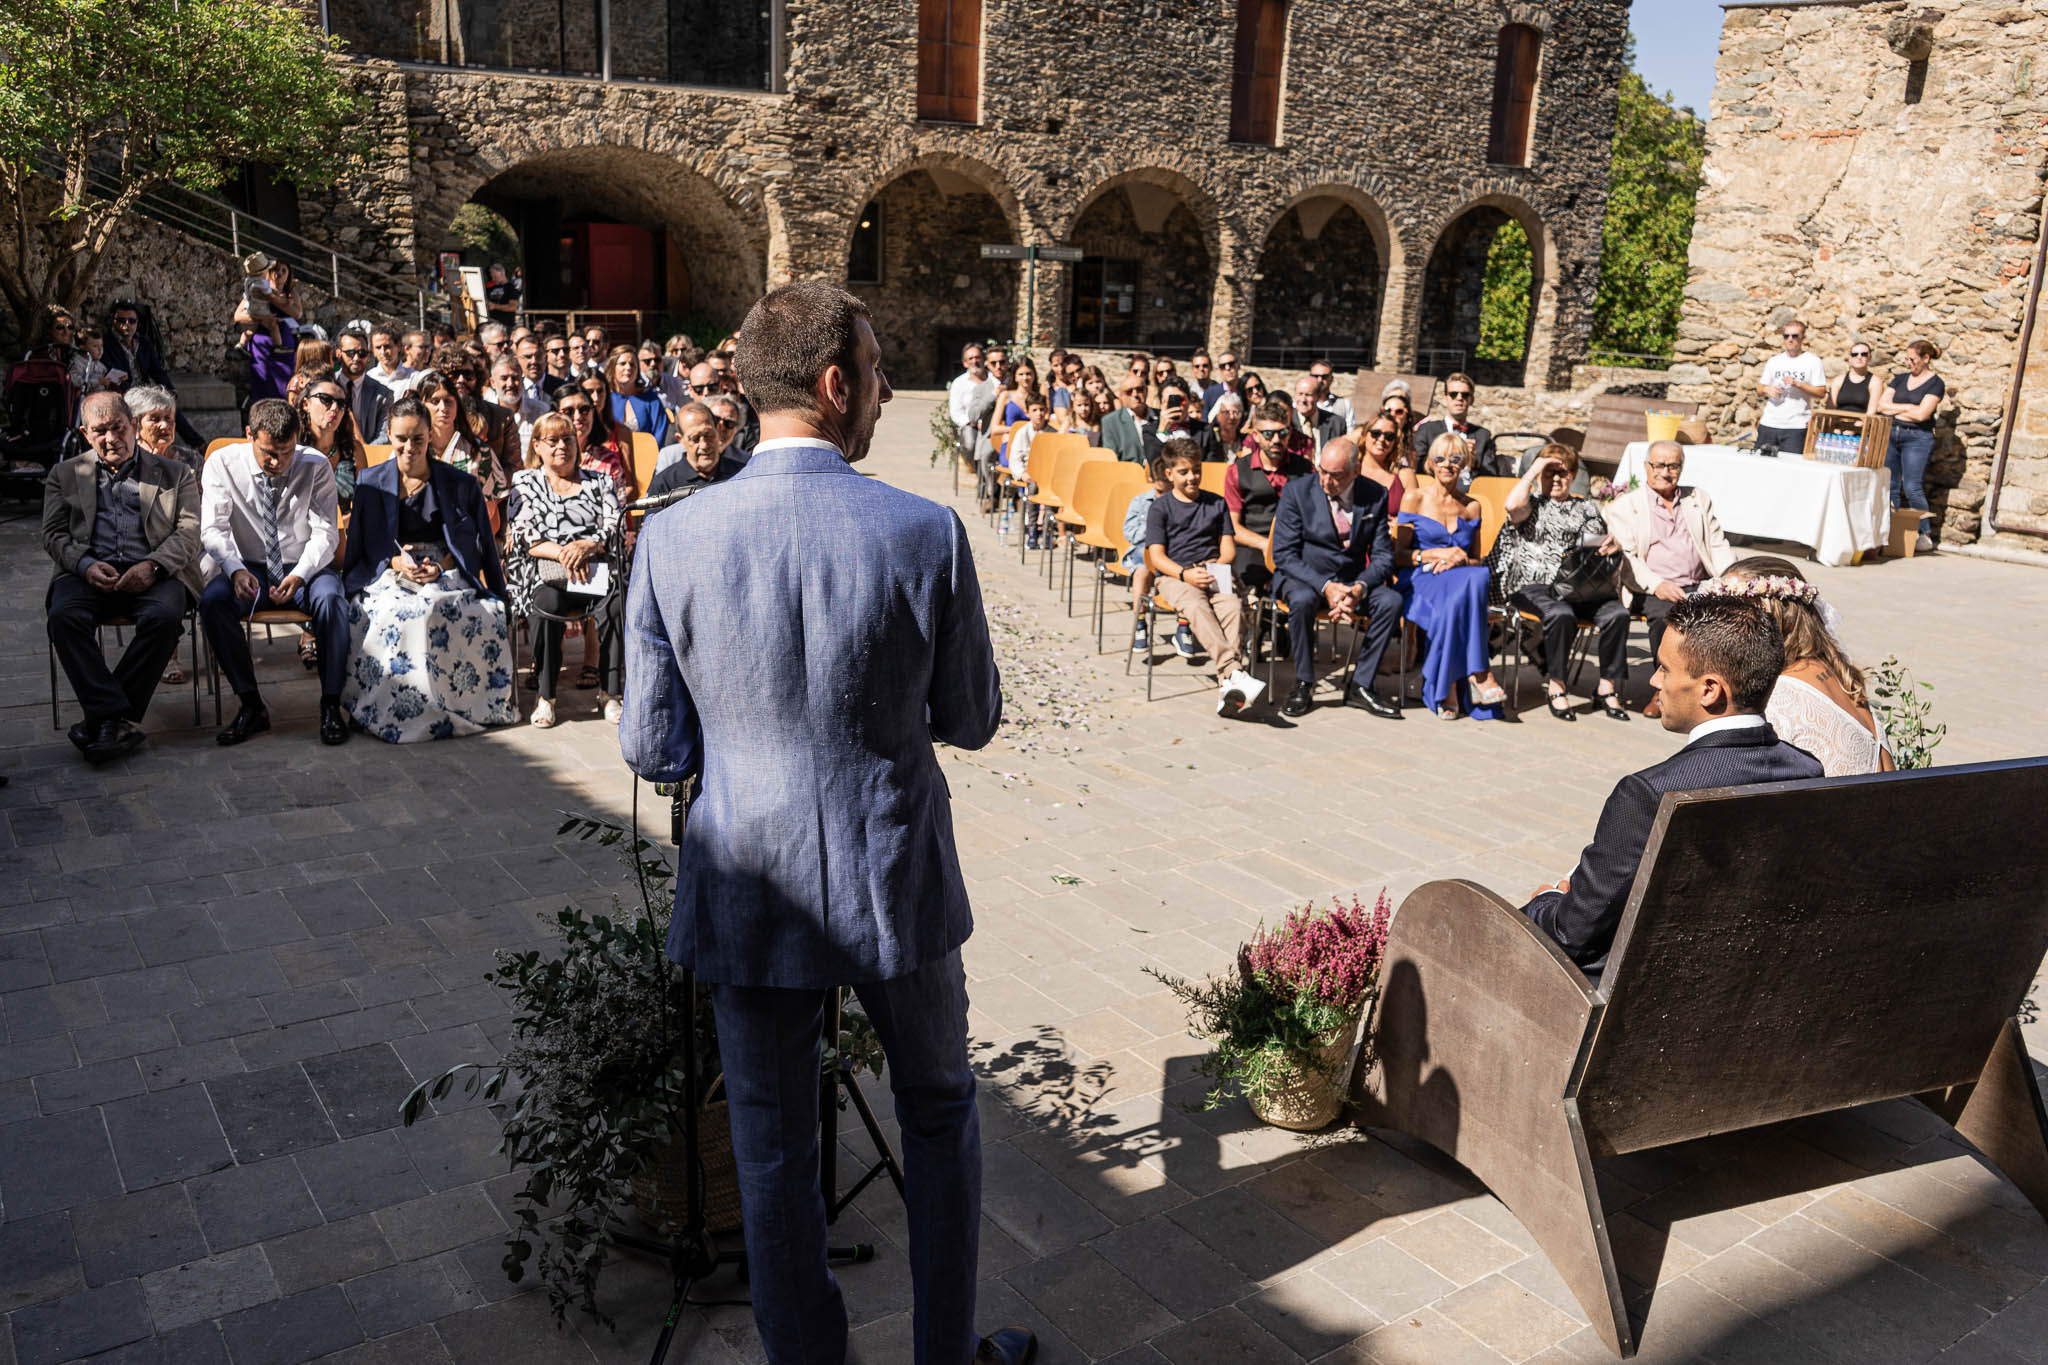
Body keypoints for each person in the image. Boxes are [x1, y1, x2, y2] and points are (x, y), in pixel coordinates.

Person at [620, 281, 1032, 1365]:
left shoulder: (671, 538)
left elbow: (653, 749)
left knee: (769, 1150)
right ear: (836, 384)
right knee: (936, 1112)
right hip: (893, 871)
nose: (889, 391)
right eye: (881, 371)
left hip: (748, 880)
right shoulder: (925, 531)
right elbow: (972, 719)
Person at [1521, 595, 1824, 983]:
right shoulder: (1807, 769)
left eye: (1664, 668)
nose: (1654, 681)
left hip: (1639, 993)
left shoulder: (1648, 794)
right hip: (1753, 980)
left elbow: (1572, 935)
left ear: (1709, 689)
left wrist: (1545, 901)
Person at [340, 394, 514, 742]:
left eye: (418, 438)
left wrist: (443, 565)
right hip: (390, 572)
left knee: (439, 608)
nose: (410, 447)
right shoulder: (369, 482)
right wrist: (395, 563)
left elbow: (476, 542)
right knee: (394, 612)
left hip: (445, 570)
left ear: (430, 435)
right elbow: (362, 545)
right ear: (389, 435)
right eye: (401, 438)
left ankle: (452, 705)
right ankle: (390, 711)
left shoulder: (459, 483)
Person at [44, 392, 206, 763]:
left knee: (165, 617)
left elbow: (189, 532)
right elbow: (53, 535)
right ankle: (112, 719)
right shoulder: (64, 474)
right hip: (88, 571)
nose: (111, 438)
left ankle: (101, 720)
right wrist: (85, 565)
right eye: (100, 431)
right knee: (63, 617)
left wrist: (152, 566)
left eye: (118, 428)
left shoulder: (176, 473)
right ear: (85, 434)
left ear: (133, 426)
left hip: (155, 569)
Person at [198, 400, 349, 747]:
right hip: (249, 565)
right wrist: (234, 570)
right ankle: (251, 705)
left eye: (286, 452)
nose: (278, 462)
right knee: (213, 602)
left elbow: (326, 531)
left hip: (304, 564)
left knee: (331, 600)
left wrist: (302, 574)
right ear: (249, 435)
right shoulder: (222, 463)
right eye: (268, 453)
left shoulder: (315, 465)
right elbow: (214, 529)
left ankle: (331, 704)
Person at [1707, 558, 1892, 775]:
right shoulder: (1833, 671)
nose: (1718, 627)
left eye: (1731, 614)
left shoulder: (1778, 696)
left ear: (1775, 615)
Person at [1270, 436, 1403, 719]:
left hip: (1351, 579)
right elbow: (1284, 555)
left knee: (1390, 602)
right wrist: (1325, 586)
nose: (1327, 481)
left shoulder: (1375, 494)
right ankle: (1304, 682)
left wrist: (1359, 588)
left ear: (1356, 471)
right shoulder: (1297, 492)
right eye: (1323, 471)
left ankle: (1361, 684)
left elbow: (1383, 556)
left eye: (1336, 475)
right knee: (1302, 600)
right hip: (1306, 577)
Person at [1494, 444, 1629, 721]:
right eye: (1549, 472)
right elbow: (1511, 506)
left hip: (1579, 587)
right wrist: (1536, 467)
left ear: (1573, 476)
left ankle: (1606, 687)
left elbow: (1597, 543)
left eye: (1563, 473)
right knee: (1560, 614)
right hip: (1534, 585)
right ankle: (1557, 685)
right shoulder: (1531, 504)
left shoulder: (1586, 507)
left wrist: (1613, 544)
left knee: (1617, 614)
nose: (1556, 479)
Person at [1601, 439, 1736, 718]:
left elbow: (1716, 544)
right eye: (1659, 465)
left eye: (1673, 466)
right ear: (1646, 467)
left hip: (1699, 583)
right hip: (1650, 587)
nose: (1665, 472)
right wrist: (1658, 585)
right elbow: (1629, 559)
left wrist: (1732, 578)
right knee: (1667, 619)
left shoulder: (1697, 499)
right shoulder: (1625, 506)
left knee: (1731, 614)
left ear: (1681, 468)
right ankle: (1663, 690)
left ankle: (1713, 687)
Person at [507, 412, 624, 727]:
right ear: (537, 446)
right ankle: (546, 697)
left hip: (594, 571)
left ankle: (610, 694)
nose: (562, 446)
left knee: (615, 603)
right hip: (546, 574)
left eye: (568, 439)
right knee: (547, 604)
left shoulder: (600, 481)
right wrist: (566, 554)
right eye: (553, 440)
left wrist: (588, 546)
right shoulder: (525, 482)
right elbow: (525, 535)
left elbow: (614, 525)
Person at [1145, 438, 1264, 716]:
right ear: (1169, 474)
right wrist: (1186, 574)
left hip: (1214, 570)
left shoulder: (1216, 503)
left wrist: (1212, 569)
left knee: (1232, 608)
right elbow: (1156, 556)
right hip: (1176, 574)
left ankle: (1228, 686)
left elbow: (1228, 550)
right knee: (1196, 607)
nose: (1192, 477)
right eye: (1184, 472)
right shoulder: (1160, 508)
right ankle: (1233, 671)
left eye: (1196, 470)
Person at [1397, 435, 1507, 720]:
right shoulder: (1414, 498)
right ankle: (1479, 672)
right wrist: (1434, 554)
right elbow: (1399, 555)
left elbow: (1476, 559)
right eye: (1440, 458)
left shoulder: (1472, 507)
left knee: (1476, 577)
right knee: (1472, 583)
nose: (1447, 465)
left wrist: (1459, 558)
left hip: (1459, 581)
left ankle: (1449, 687)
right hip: (1422, 578)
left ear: (1465, 464)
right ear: (1430, 463)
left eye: (1455, 459)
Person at [1225, 398, 1309, 599]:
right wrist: (1265, 545)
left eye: (1283, 433)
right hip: (1252, 544)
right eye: (1269, 434)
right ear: (1256, 435)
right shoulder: (1237, 471)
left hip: (1295, 545)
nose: (1276, 440)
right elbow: (1232, 527)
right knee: (1249, 583)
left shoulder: (1306, 469)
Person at [1877, 338, 1945, 547]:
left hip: (1917, 437)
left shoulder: (1935, 383)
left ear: (1926, 358)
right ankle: (1892, 532)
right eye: (1906, 359)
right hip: (1892, 433)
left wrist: (1897, 408)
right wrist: (1909, 408)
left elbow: (1923, 414)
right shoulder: (1899, 379)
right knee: (1890, 485)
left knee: (1912, 486)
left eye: (1912, 359)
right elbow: (1881, 406)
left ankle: (1924, 534)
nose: (1908, 363)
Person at [1755, 319, 1827, 456]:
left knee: (1791, 466)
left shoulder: (1813, 361)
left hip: (1796, 426)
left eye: (1795, 336)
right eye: (1786, 336)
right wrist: (1766, 389)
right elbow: (1759, 389)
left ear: (1803, 337)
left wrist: (1798, 384)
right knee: (1761, 464)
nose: (1790, 339)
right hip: (1769, 423)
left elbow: (1821, 392)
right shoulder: (1774, 361)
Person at [643, 403, 741, 501]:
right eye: (695, 438)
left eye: (708, 435)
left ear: (717, 430)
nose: (704, 445)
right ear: (680, 439)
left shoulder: (741, 473)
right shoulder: (664, 485)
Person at [1123, 453, 1170, 654]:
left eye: (1166, 492)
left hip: (1170, 553)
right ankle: (1139, 621)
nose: (1161, 497)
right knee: (1142, 572)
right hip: (1144, 550)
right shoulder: (1140, 501)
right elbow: (1129, 532)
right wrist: (1154, 527)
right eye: (1158, 491)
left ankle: (1184, 626)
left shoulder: (1177, 504)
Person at [1413, 373, 1499, 476]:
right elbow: (1416, 466)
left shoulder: (1483, 435)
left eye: (1465, 395)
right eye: (1453, 394)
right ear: (1445, 399)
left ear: (1471, 400)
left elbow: (1491, 476)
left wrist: (1474, 462)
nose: (1459, 398)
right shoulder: (1427, 430)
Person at [126, 385, 201, 479]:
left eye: (168, 418)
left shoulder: (191, 459)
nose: (165, 425)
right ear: (135, 426)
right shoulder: (126, 461)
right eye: (155, 419)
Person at [335, 328, 391, 443]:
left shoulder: (383, 395)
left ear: (368, 356)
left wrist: (365, 452)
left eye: (362, 353)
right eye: (350, 353)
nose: (356, 358)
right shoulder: (327, 385)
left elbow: (384, 436)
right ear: (338, 354)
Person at [1357, 412, 1412, 519]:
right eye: (1376, 433)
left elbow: (1414, 517)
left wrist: (1398, 522)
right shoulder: (1350, 468)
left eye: (1389, 436)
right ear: (1364, 435)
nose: (1382, 439)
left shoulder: (1405, 476)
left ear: (1395, 442)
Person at [1103, 374, 1161, 464]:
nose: (1135, 394)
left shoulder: (1161, 416)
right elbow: (1111, 460)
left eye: (1139, 389)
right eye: (1129, 391)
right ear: (1122, 396)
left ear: (1146, 391)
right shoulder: (1110, 422)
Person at [239, 251, 285, 348]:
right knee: (273, 326)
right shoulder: (262, 283)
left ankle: (241, 344)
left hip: (250, 307)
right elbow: (269, 296)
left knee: (251, 329)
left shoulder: (248, 281)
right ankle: (278, 346)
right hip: (260, 309)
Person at [1293, 375, 1346, 454]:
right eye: (1300, 394)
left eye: (1308, 395)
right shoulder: (1288, 421)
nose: (1303, 400)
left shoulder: (1337, 423)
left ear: (1318, 396)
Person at [1830, 340, 1878, 415]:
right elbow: (1830, 408)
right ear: (1850, 358)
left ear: (1870, 357)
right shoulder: (1838, 380)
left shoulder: (1875, 382)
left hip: (1862, 421)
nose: (1859, 357)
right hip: (1838, 421)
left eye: (1864, 354)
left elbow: (1871, 412)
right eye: (1854, 354)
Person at [1307, 359, 1355, 431]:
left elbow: (1350, 433)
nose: (1320, 380)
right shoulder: (1301, 404)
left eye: (1324, 377)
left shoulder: (1344, 404)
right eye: (1315, 376)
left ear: (1331, 378)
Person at [1208, 391, 1249, 456]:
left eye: (1236, 412)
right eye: (1227, 412)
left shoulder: (1246, 441)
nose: (1232, 417)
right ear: (1218, 416)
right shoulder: (1209, 441)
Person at [484, 264, 520, 331]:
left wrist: (495, 306)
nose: (493, 278)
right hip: (491, 325)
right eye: (492, 276)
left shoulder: (511, 288)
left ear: (502, 273)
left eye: (495, 276)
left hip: (506, 326)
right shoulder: (491, 288)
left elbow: (513, 307)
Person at [1190, 349, 1227, 413]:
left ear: (1211, 367)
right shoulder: (1188, 390)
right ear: (1192, 369)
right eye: (1197, 366)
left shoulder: (1220, 390)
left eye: (1205, 366)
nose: (1201, 369)